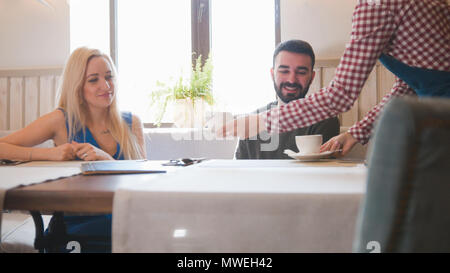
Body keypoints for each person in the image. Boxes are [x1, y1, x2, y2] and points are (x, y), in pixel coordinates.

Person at [218, 0, 450, 156]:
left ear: (312, 75)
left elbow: (340, 95)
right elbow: (409, 86)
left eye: (300, 71)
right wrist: (355, 133)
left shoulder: (377, 5)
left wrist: (262, 122)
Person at [0, 47, 146, 252]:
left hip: (127, 231)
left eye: (109, 77)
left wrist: (107, 160)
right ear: (77, 87)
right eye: (93, 79)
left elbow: (145, 185)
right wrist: (48, 154)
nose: (106, 86)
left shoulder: (132, 123)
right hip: (74, 234)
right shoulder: (60, 120)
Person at [235, 40, 339, 159]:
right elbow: (238, 171)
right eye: (284, 71)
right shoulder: (253, 121)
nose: (291, 80)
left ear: (312, 77)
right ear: (272, 74)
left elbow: (321, 174)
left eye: (301, 72)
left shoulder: (325, 119)